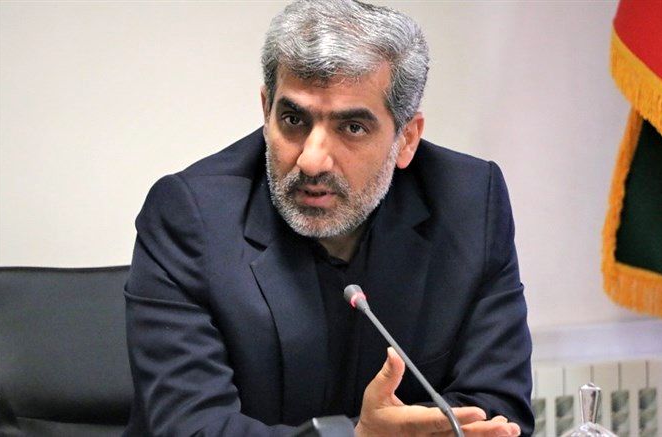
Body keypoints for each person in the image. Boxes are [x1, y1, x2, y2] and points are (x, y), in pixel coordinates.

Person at [124, 1, 534, 436]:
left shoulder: (468, 203)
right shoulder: (191, 217)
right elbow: (190, 427)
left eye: (352, 127)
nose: (312, 160)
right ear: (265, 111)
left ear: (407, 139)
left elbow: (498, 411)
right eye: (293, 119)